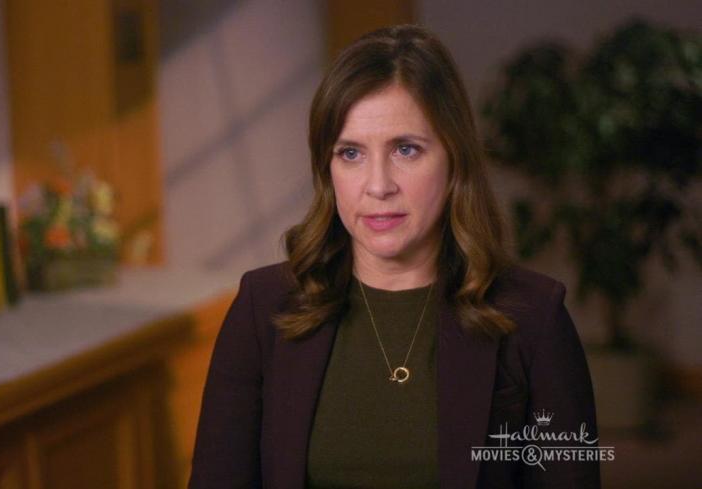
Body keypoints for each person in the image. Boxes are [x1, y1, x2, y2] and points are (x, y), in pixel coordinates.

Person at [189, 24, 600, 489]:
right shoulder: (262, 308)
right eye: (350, 153)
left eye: (406, 149)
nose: (378, 185)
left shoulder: (534, 318)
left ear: (454, 160)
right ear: (327, 170)